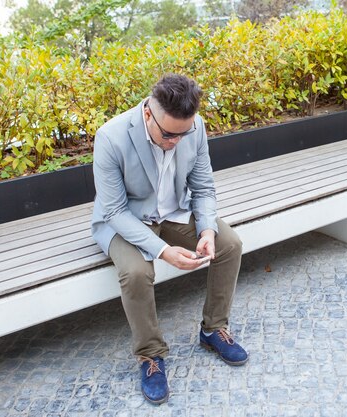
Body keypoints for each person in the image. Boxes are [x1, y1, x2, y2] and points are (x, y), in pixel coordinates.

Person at [91, 74, 247, 404]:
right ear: (148, 113)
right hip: (126, 221)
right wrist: (163, 252)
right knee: (136, 272)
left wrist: (206, 230)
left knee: (229, 244)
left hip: (176, 211)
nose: (176, 140)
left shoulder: (195, 126)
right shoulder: (111, 137)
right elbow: (115, 211)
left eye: (183, 133)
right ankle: (150, 355)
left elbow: (204, 188)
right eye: (168, 134)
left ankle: (212, 329)